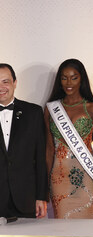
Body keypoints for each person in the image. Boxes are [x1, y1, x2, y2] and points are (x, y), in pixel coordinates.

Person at [45, 59, 93, 219]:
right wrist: (44, 184)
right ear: (59, 81)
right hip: (58, 179)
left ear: (82, 79)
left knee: (85, 231)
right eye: (64, 77)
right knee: (61, 229)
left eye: (74, 77)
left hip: (87, 177)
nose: (69, 82)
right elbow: (49, 149)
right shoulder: (50, 109)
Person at [0, 63, 47, 218]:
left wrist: (41, 196)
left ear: (15, 83)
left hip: (26, 199)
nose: (1, 87)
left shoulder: (33, 113)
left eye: (5, 81)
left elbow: (40, 157)